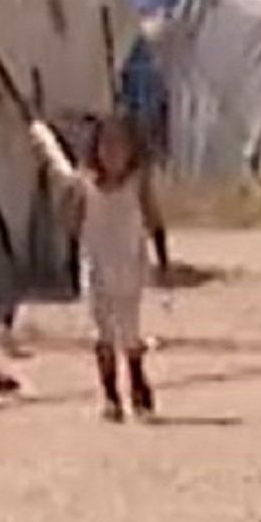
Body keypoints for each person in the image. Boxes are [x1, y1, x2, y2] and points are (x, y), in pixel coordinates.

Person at [29, 113, 168, 422]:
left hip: (130, 265)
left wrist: (163, 261)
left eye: (120, 145)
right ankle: (111, 396)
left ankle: (138, 386)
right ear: (96, 149)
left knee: (130, 332)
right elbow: (73, 225)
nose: (113, 152)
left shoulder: (137, 184)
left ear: (132, 150)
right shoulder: (86, 185)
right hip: (96, 266)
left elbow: (154, 219)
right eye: (106, 145)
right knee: (102, 332)